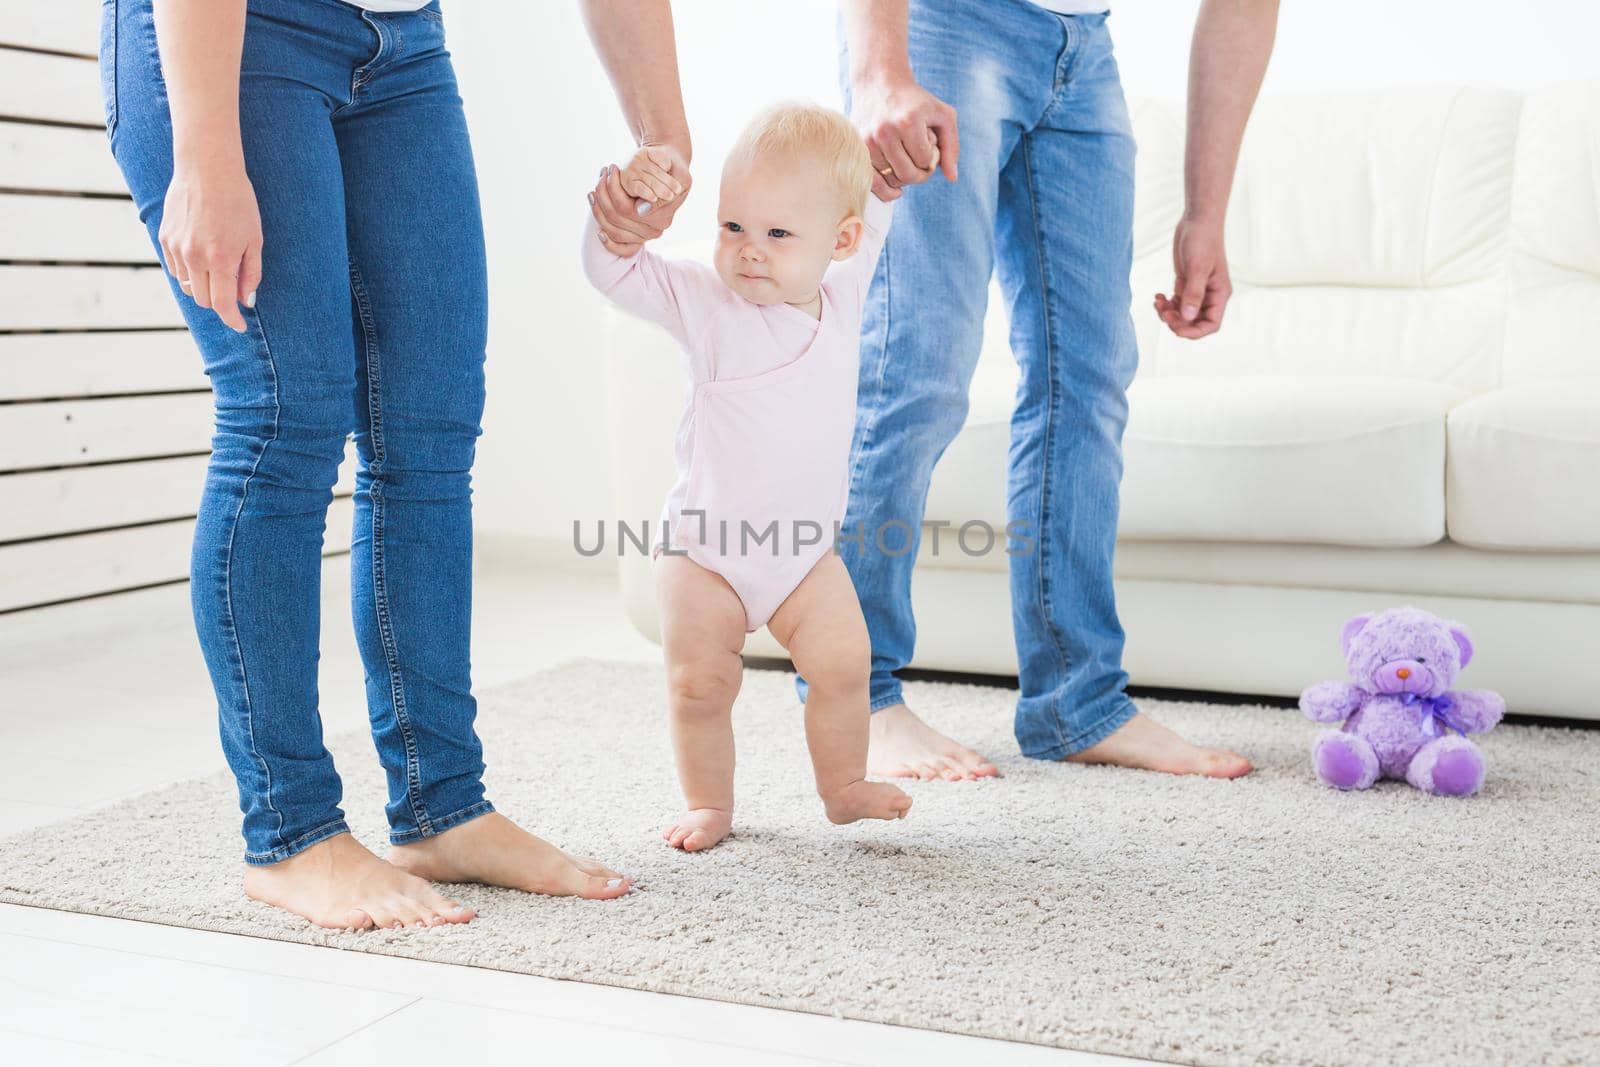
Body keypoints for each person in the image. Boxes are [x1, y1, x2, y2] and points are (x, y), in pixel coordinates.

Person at [583, 0, 1279, 783]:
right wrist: (882, 68)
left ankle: (1079, 702)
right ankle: (864, 695)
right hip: (947, 23)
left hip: (1087, 47)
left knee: (1091, 373)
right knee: (917, 366)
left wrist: (1206, 213)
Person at [100, 0, 631, 932]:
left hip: (404, 45)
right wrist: (208, 150)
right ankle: (292, 833)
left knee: (429, 434)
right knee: (283, 413)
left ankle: (443, 807)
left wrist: (661, 132)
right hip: (234, 32)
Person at [582, 104, 913, 851]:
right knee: (700, 685)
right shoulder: (705, 300)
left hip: (803, 554)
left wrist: (890, 143)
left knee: (844, 662)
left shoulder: (845, 294)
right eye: (735, 226)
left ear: (842, 242)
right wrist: (627, 209)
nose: (750, 251)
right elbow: (611, 270)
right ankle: (710, 803)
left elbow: (882, 190)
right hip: (707, 553)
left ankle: (844, 786)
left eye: (778, 234)